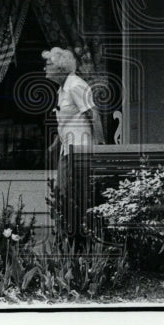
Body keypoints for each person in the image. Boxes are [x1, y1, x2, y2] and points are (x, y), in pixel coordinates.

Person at [43, 47, 104, 236]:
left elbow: (93, 114)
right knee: (64, 194)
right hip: (68, 150)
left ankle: (77, 235)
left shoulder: (76, 85)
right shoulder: (63, 88)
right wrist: (56, 143)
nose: (45, 67)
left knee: (71, 195)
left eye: (49, 64)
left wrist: (101, 146)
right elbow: (70, 121)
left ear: (61, 68)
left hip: (80, 151)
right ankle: (69, 234)